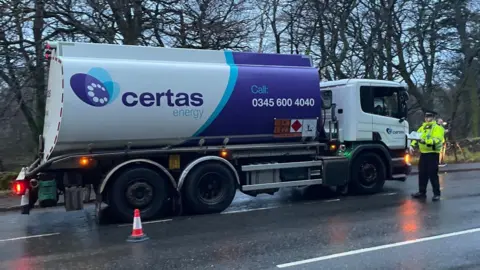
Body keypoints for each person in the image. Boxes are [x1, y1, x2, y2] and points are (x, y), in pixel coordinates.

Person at [410, 110, 445, 201]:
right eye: (426, 117)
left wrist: (425, 141)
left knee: (432, 174)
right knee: (422, 174)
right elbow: (416, 136)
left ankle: (436, 194)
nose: (427, 119)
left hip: (433, 154)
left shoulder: (437, 128)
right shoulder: (422, 128)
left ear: (433, 118)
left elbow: (437, 140)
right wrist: (412, 145)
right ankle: (422, 192)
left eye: (429, 117)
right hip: (424, 154)